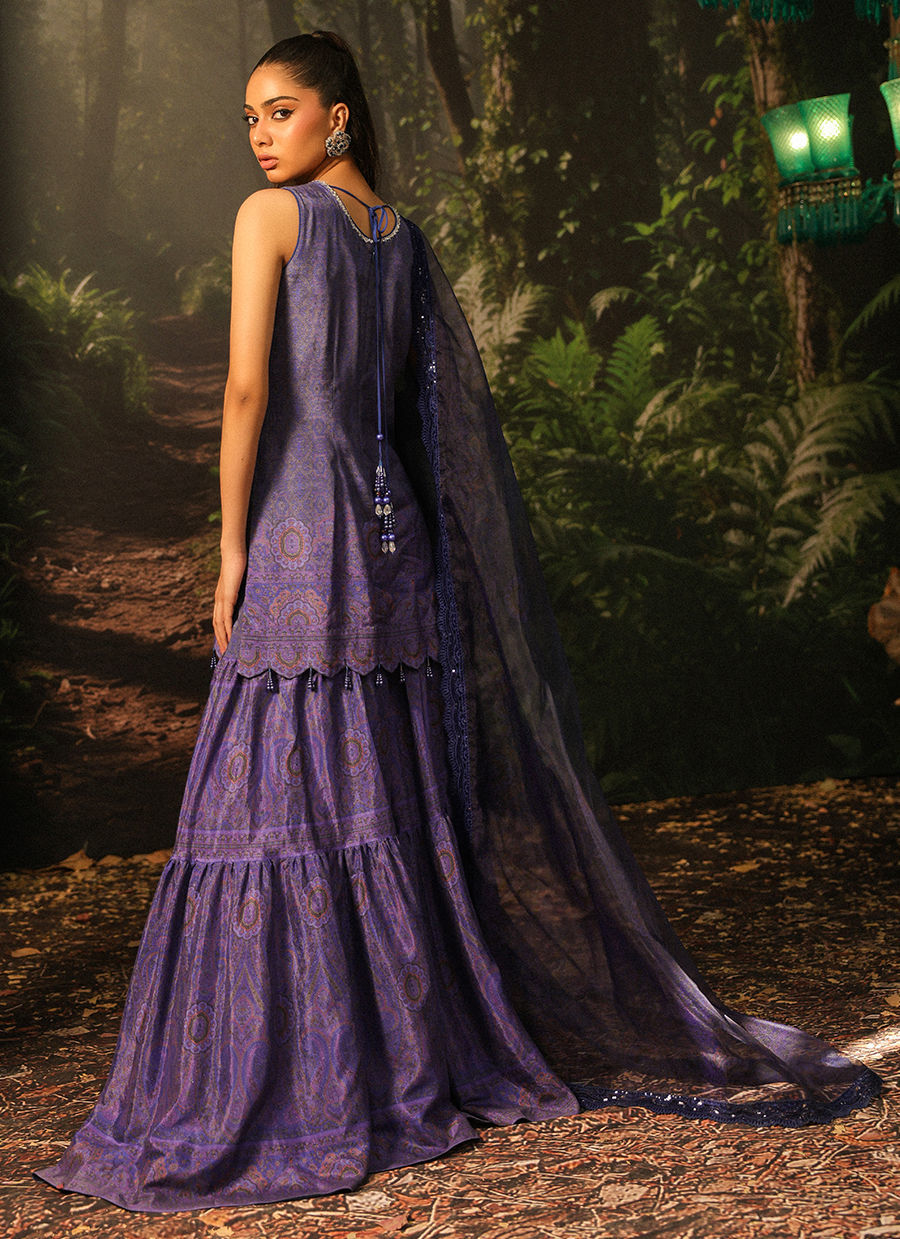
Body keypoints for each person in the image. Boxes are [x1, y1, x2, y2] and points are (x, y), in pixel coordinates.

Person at [33, 30, 881, 1215]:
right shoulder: (402, 239)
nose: (260, 135)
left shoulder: (270, 219)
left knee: (280, 780)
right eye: (249, 118)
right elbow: (418, 417)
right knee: (379, 780)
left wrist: (227, 552)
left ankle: (304, 1071)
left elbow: (249, 391)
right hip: (393, 531)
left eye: (280, 110)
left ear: (339, 117)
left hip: (303, 524)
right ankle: (402, 1054)